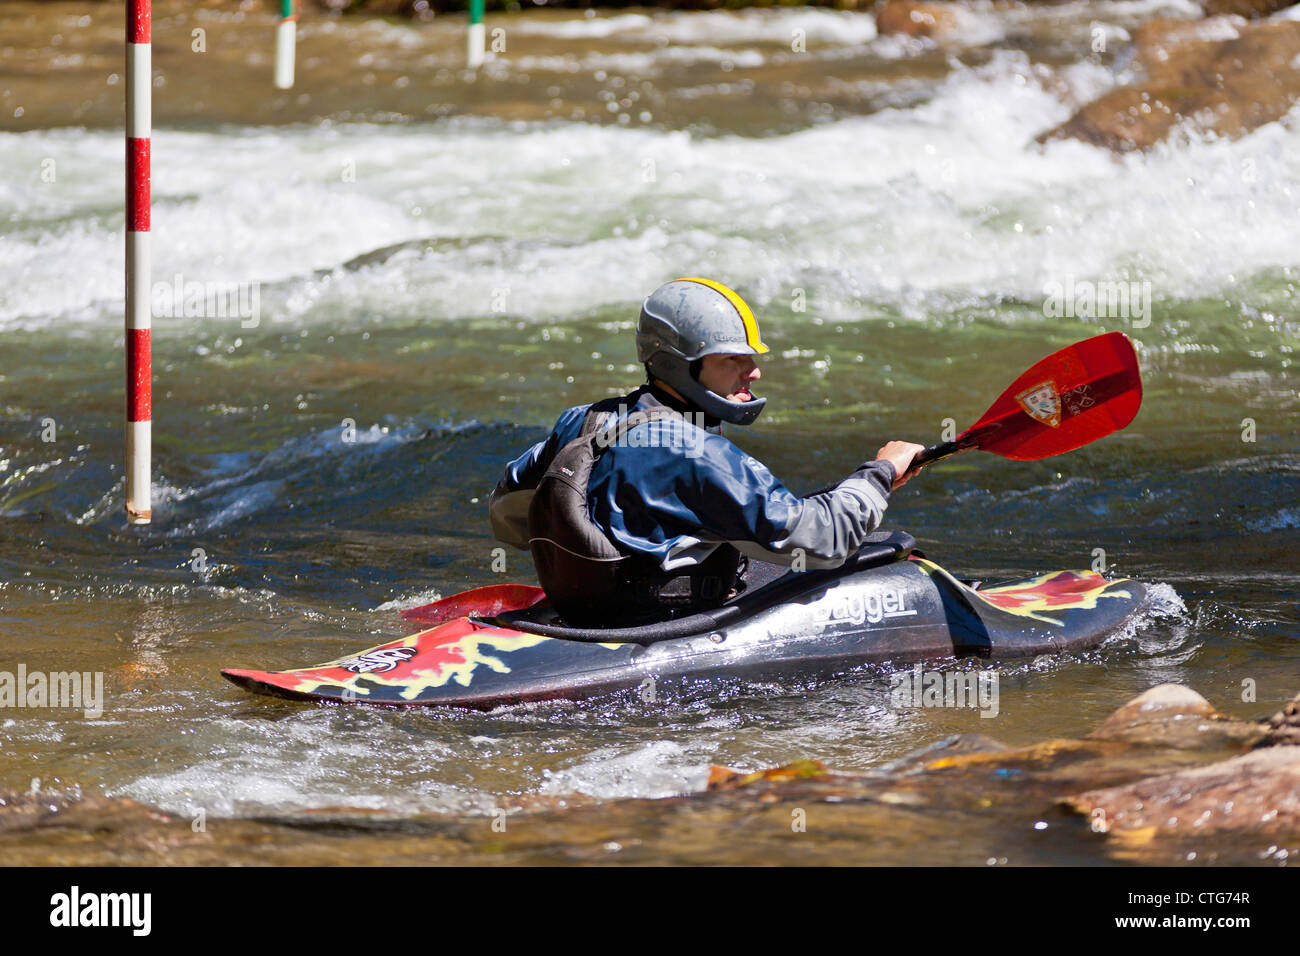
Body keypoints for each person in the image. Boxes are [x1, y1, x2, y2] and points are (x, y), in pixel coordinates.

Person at [489, 277, 926, 626]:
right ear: (680, 364)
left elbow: (508, 509)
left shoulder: (583, 420)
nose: (754, 371)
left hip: (582, 614)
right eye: (730, 359)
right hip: (661, 623)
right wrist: (879, 473)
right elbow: (827, 539)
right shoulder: (699, 453)